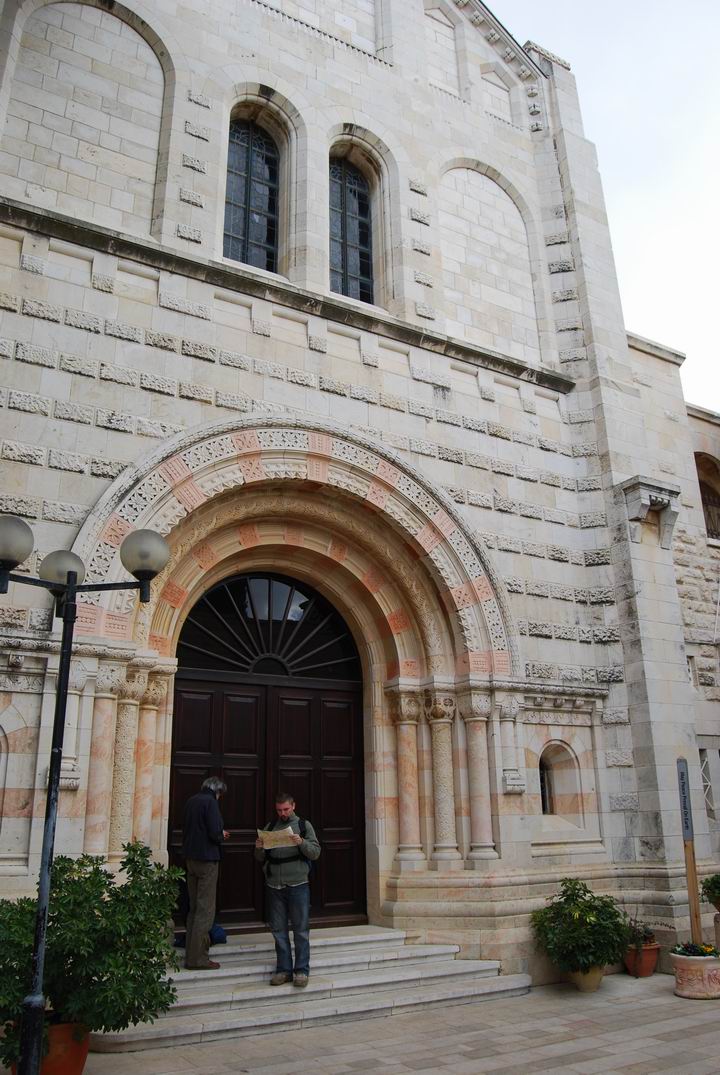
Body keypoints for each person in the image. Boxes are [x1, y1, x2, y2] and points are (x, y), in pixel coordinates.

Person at [255, 792, 321, 988]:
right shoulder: (271, 827)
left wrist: (301, 842)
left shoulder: (303, 826)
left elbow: (315, 852)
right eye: (279, 810)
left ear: (293, 806)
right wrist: (259, 847)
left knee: (300, 930)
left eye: (285, 809)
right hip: (274, 885)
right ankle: (283, 970)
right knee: (278, 930)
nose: (282, 813)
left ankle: (301, 970)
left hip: (298, 884)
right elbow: (260, 858)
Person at [181, 775, 229, 970]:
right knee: (205, 910)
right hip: (207, 859)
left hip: (190, 858)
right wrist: (222, 835)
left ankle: (190, 953)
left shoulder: (191, 801)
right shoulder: (210, 802)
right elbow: (214, 831)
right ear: (218, 791)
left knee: (194, 908)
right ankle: (198, 958)